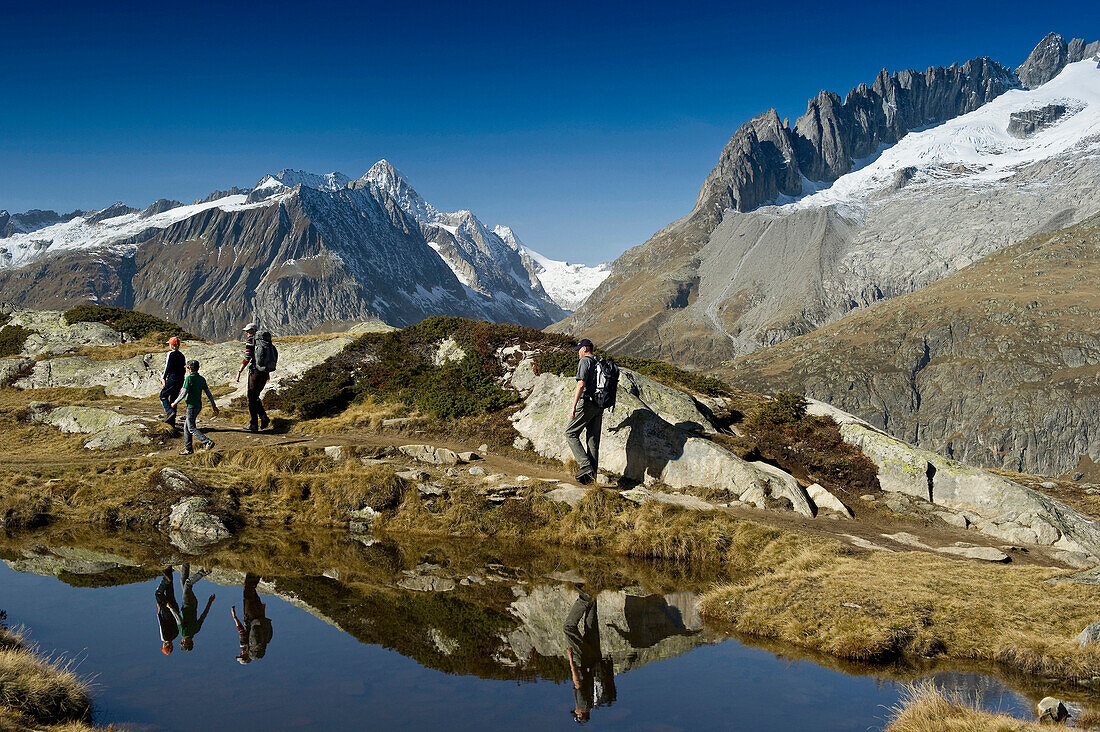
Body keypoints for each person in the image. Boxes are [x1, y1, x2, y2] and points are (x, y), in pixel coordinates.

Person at [563, 587, 615, 723]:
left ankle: (593, 592)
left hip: (597, 660)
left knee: (591, 625)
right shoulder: (582, 705)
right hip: (584, 660)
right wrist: (571, 659)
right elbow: (578, 683)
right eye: (576, 713)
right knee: (568, 628)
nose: (575, 710)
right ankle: (585, 598)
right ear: (580, 714)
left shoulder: (594, 702)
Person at [565, 339, 603, 485]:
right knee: (593, 441)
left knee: (570, 433)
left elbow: (581, 384)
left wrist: (574, 406)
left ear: (585, 348)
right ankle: (591, 480)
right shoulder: (599, 361)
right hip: (600, 404)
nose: (578, 353)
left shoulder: (585, 361)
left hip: (587, 403)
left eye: (579, 349)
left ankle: (585, 466)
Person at [172, 359, 219, 455]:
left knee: (191, 428)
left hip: (191, 406)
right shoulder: (201, 379)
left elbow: (183, 393)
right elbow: (209, 394)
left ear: (189, 368)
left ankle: (207, 441)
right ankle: (188, 449)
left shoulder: (189, 378)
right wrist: (214, 406)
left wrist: (175, 402)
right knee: (186, 427)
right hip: (198, 406)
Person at [231, 573, 273, 664]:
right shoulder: (245, 647)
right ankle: (254, 571)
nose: (241, 653)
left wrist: (263, 611)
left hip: (260, 618)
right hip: (251, 618)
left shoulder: (259, 647)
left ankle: (258, 571)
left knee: (252, 591)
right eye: (241, 655)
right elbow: (241, 631)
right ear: (245, 657)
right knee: (248, 592)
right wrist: (234, 617)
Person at [236, 323, 269, 433]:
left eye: (249, 330)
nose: (247, 332)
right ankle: (263, 417)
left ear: (254, 330)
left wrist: (239, 371)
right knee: (256, 396)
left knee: (251, 396)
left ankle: (254, 424)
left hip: (255, 371)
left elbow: (247, 357)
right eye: (246, 331)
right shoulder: (265, 341)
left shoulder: (251, 341)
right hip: (264, 372)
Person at [177, 564, 214, 652]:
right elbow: (178, 618)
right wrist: (171, 608)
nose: (181, 641)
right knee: (187, 584)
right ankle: (203, 572)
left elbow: (203, 615)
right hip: (187, 603)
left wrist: (210, 602)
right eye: (181, 643)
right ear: (184, 642)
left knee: (183, 581)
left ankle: (185, 562)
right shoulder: (183, 633)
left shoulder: (196, 630)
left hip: (194, 603)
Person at [159, 336, 186, 426]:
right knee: (173, 399)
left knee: (163, 395)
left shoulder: (170, 354)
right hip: (180, 379)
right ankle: (172, 423)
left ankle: (169, 412)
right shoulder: (182, 355)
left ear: (171, 345)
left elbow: (168, 367)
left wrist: (163, 378)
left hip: (172, 377)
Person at [155, 568, 182, 656]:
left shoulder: (176, 634)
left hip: (175, 608)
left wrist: (173, 609)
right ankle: (166, 579)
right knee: (158, 594)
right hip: (167, 610)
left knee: (170, 589)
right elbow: (161, 623)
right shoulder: (164, 637)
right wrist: (158, 612)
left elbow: (179, 620)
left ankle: (168, 568)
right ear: (165, 645)